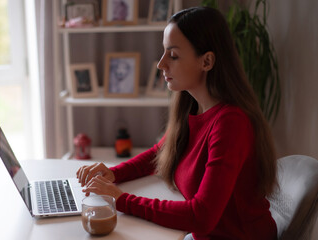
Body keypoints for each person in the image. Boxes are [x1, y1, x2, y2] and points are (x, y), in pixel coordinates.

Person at [76, 6, 278, 240]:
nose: (161, 64)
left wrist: (122, 200)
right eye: (164, 52)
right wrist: (112, 174)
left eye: (173, 55)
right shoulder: (191, 105)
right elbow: (159, 152)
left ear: (207, 61)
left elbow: (201, 216)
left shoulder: (230, 124)